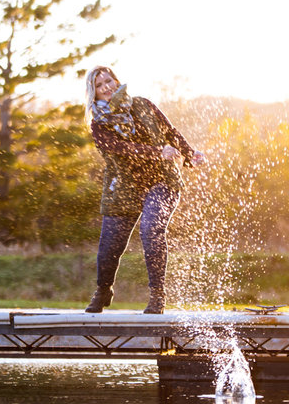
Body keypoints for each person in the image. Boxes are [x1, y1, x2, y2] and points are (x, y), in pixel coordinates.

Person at [83, 66, 205, 314]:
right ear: (93, 92)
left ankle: (158, 295)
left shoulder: (143, 105)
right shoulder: (98, 124)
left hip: (162, 179)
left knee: (151, 228)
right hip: (123, 186)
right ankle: (104, 290)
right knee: (109, 246)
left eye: (108, 80)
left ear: (116, 81)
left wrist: (190, 154)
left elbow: (170, 132)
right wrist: (156, 152)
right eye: (99, 84)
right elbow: (120, 148)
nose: (106, 86)